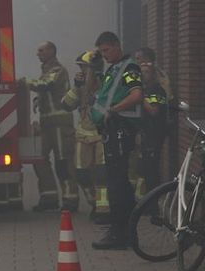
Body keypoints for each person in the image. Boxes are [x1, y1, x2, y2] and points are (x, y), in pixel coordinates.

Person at [89, 31, 144, 250]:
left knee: (117, 183)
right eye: (101, 52)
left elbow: (136, 94)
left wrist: (113, 110)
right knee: (117, 181)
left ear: (116, 45)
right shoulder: (112, 69)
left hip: (121, 129)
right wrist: (94, 68)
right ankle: (124, 231)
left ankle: (119, 233)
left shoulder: (129, 68)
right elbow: (94, 91)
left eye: (106, 50)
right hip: (111, 130)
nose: (105, 55)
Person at [26, 42, 77, 212]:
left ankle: (70, 199)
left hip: (60, 125)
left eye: (41, 50)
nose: (37, 53)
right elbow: (46, 91)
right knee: (39, 158)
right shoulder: (46, 71)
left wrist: (24, 82)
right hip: (46, 125)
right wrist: (37, 100)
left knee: (63, 161)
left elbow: (46, 85)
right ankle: (49, 196)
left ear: (51, 51)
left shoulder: (58, 70)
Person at [62, 49, 110, 224]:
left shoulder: (106, 83)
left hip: (102, 135)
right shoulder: (80, 86)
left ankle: (104, 210)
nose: (81, 71)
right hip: (83, 135)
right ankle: (93, 202)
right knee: (81, 173)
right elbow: (66, 105)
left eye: (84, 67)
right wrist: (76, 87)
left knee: (102, 175)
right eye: (81, 68)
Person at [135, 47, 169, 195]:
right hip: (145, 134)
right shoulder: (145, 88)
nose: (144, 75)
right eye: (142, 73)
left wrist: (140, 97)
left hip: (154, 135)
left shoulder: (156, 90)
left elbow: (154, 111)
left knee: (151, 171)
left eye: (147, 72)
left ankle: (153, 205)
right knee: (144, 169)